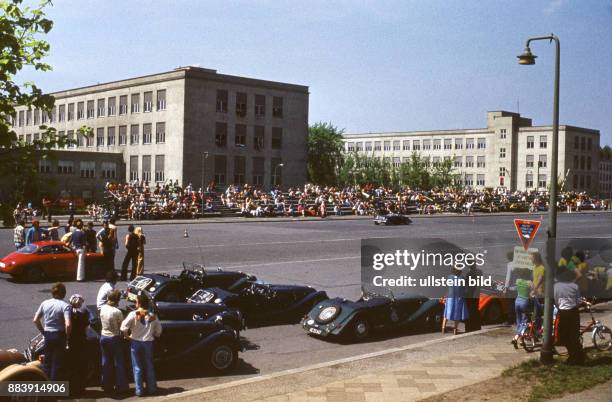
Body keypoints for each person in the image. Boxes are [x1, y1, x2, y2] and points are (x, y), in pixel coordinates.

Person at [121, 294, 162, 397]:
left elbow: (123, 328)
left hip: (135, 342)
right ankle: (151, 388)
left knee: (137, 367)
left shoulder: (133, 314)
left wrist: (127, 336)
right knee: (149, 366)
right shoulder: (153, 315)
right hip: (148, 343)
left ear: (138, 303)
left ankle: (139, 390)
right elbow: (158, 332)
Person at [32, 282, 72, 380]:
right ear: (63, 293)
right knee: (57, 363)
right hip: (59, 335)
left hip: (48, 334)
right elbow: (68, 324)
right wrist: (67, 336)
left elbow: (35, 320)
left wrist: (43, 332)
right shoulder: (65, 306)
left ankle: (46, 386)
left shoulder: (45, 303)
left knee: (47, 362)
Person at [99, 290, 129, 394]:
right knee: (119, 362)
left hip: (103, 336)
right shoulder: (117, 312)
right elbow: (122, 326)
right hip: (114, 338)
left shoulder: (103, 308)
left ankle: (106, 385)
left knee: (106, 362)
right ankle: (121, 386)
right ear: (117, 300)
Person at [554, 267, 585, 365]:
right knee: (574, 336)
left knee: (563, 336)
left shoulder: (556, 286)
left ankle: (573, 356)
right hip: (573, 312)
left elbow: (556, 300)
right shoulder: (574, 286)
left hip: (563, 312)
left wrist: (561, 306)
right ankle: (578, 356)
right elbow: (578, 301)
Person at [67, 294, 91, 396]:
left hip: (71, 341)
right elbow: (86, 328)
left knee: (71, 366)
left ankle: (72, 387)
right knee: (81, 365)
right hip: (81, 341)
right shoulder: (83, 313)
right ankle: (80, 388)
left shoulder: (68, 313)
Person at [442, 265, 469, 335]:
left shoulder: (449, 277)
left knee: (447, 313)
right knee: (457, 314)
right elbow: (465, 289)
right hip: (459, 298)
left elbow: (446, 287)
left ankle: (443, 329)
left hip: (450, 297)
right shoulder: (462, 278)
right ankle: (455, 330)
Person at [511, 268, 533, 348]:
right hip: (525, 302)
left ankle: (521, 341)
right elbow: (533, 293)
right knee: (525, 322)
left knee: (519, 321)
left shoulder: (518, 280)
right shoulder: (529, 283)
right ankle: (516, 338)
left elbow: (515, 288)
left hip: (517, 301)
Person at [464, 263, 482, 332]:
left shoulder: (469, 273)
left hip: (470, 294)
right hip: (476, 294)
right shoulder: (479, 272)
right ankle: (477, 326)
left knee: (469, 311)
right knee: (475, 310)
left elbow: (466, 284)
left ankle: (469, 327)